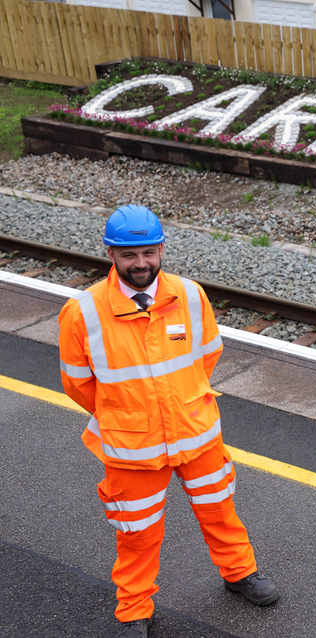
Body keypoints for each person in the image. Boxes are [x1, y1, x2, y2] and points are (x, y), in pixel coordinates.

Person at [58, 206, 279, 638]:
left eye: (148, 252)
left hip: (196, 431)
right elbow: (77, 382)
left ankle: (239, 574)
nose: (140, 264)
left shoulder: (190, 295)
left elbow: (208, 355)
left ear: (161, 249)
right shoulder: (82, 312)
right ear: (110, 254)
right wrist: (128, 412)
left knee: (220, 509)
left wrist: (179, 402)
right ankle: (135, 608)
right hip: (132, 446)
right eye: (128, 255)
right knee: (136, 532)